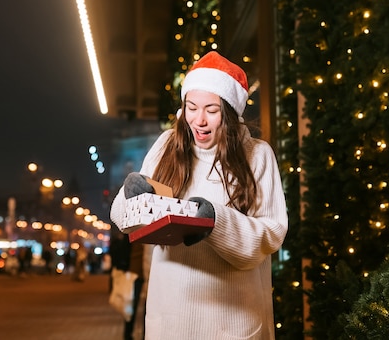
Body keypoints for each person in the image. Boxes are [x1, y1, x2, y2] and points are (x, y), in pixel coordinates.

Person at [110, 51, 288, 340]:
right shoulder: (167, 144)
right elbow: (123, 219)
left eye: (212, 110)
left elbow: (271, 233)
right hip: (169, 320)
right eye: (191, 107)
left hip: (233, 322)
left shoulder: (257, 155)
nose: (199, 120)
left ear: (230, 112)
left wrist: (216, 221)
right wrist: (132, 198)